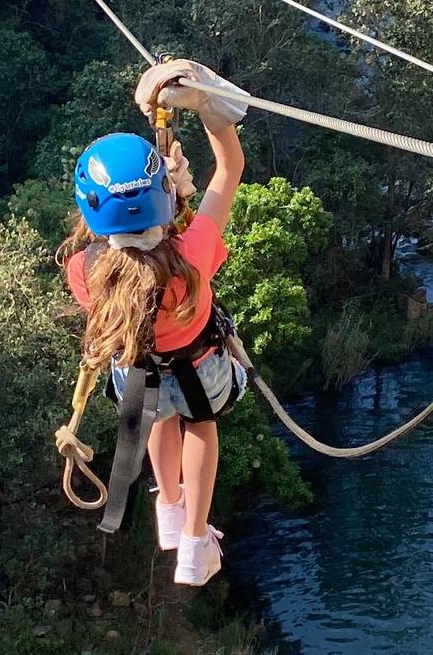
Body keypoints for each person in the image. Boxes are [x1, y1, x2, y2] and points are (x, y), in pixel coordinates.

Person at [57, 59, 249, 586]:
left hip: (136, 378)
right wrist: (212, 110)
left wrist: (165, 192)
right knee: (200, 425)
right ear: (158, 197)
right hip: (202, 367)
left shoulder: (85, 271)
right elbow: (229, 167)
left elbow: (133, 258)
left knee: (162, 416)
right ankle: (194, 539)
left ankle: (169, 508)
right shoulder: (195, 252)